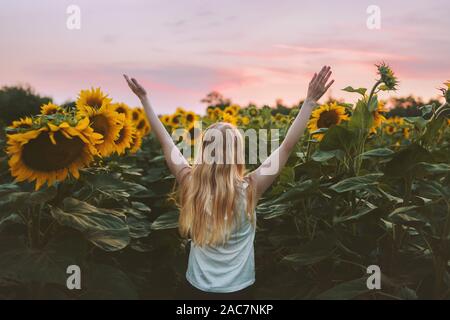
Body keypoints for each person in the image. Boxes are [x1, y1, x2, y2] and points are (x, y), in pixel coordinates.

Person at [123, 66, 334, 299]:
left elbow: (166, 142)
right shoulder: (250, 188)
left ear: (204, 152)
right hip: (239, 291)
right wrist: (310, 102)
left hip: (196, 289)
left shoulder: (191, 182)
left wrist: (144, 99)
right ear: (237, 153)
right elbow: (286, 147)